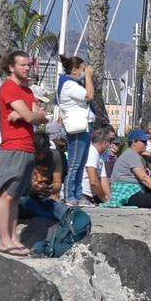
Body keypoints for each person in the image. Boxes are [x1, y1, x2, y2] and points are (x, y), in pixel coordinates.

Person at [0, 50, 38, 252]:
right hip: (13, 146)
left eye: (28, 64)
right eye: (23, 65)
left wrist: (27, 115)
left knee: (15, 196)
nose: (27, 68)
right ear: (11, 67)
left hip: (28, 146)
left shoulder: (28, 91)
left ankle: (13, 238)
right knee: (7, 195)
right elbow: (31, 116)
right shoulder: (9, 87)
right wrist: (29, 115)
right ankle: (4, 240)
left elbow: (38, 115)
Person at [105, 130, 151, 223]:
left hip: (131, 189)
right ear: (133, 142)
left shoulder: (132, 154)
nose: (146, 144)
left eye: (146, 142)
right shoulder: (131, 155)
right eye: (143, 142)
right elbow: (143, 177)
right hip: (126, 194)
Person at [57, 55, 94, 203]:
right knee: (75, 163)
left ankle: (77, 195)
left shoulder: (72, 84)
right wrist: (89, 78)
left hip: (84, 126)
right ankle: (69, 195)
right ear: (74, 70)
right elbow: (89, 96)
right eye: (83, 70)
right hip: (77, 127)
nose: (85, 73)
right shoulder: (69, 85)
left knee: (81, 162)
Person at [84, 125, 112, 204]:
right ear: (105, 143)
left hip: (93, 196)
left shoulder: (101, 157)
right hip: (86, 195)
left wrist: (109, 199)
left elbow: (103, 179)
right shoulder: (92, 152)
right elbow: (93, 182)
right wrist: (104, 199)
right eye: (110, 142)